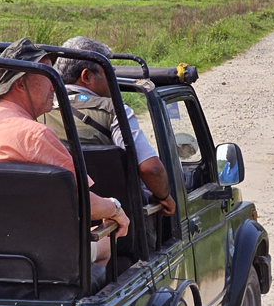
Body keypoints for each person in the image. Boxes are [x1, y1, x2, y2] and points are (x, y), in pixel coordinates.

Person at [0, 38, 129, 267]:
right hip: (41, 255)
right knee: (106, 241)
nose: (54, 86)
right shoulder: (36, 134)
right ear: (20, 85)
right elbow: (83, 203)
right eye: (48, 77)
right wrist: (115, 208)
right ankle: (85, 296)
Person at [44, 37, 177, 216]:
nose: (113, 74)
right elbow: (151, 169)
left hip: (57, 217)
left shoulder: (38, 110)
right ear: (86, 77)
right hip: (115, 223)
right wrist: (164, 196)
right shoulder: (116, 112)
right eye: (107, 70)